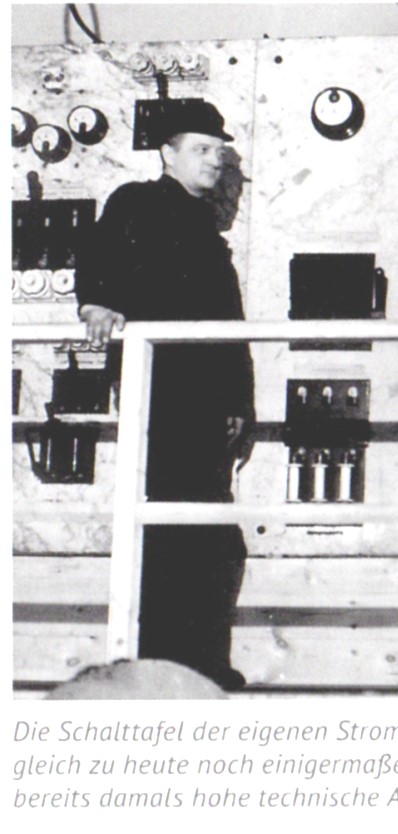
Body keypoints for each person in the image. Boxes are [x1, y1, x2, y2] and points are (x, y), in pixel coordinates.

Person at [74, 100, 255, 691]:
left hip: (207, 404)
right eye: (202, 149)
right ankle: (167, 665)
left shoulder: (205, 229)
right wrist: (95, 302)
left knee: (208, 535)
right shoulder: (138, 202)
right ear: (167, 154)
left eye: (219, 152)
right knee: (171, 534)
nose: (214, 160)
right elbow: (99, 254)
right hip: (162, 394)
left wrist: (240, 403)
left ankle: (199, 663)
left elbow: (228, 324)